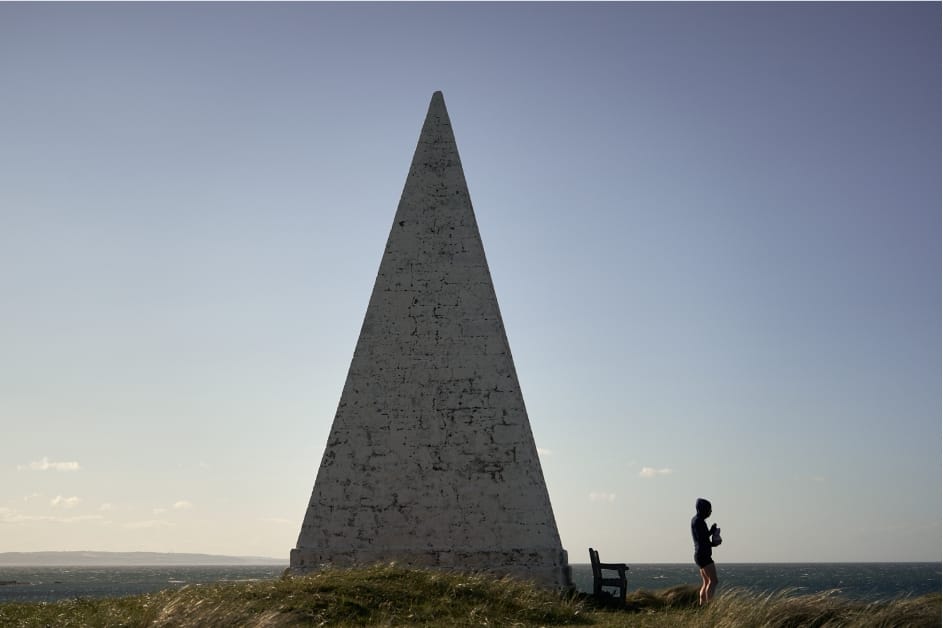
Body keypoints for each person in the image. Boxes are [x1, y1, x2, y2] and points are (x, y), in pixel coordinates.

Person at [691, 497, 721, 605]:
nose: (710, 512)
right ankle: (709, 606)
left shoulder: (696, 520)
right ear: (703, 509)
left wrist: (711, 532)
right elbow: (703, 539)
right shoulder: (699, 521)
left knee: (707, 581)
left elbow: (702, 537)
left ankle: (702, 605)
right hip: (704, 555)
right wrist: (714, 542)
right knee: (713, 581)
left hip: (699, 555)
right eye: (709, 510)